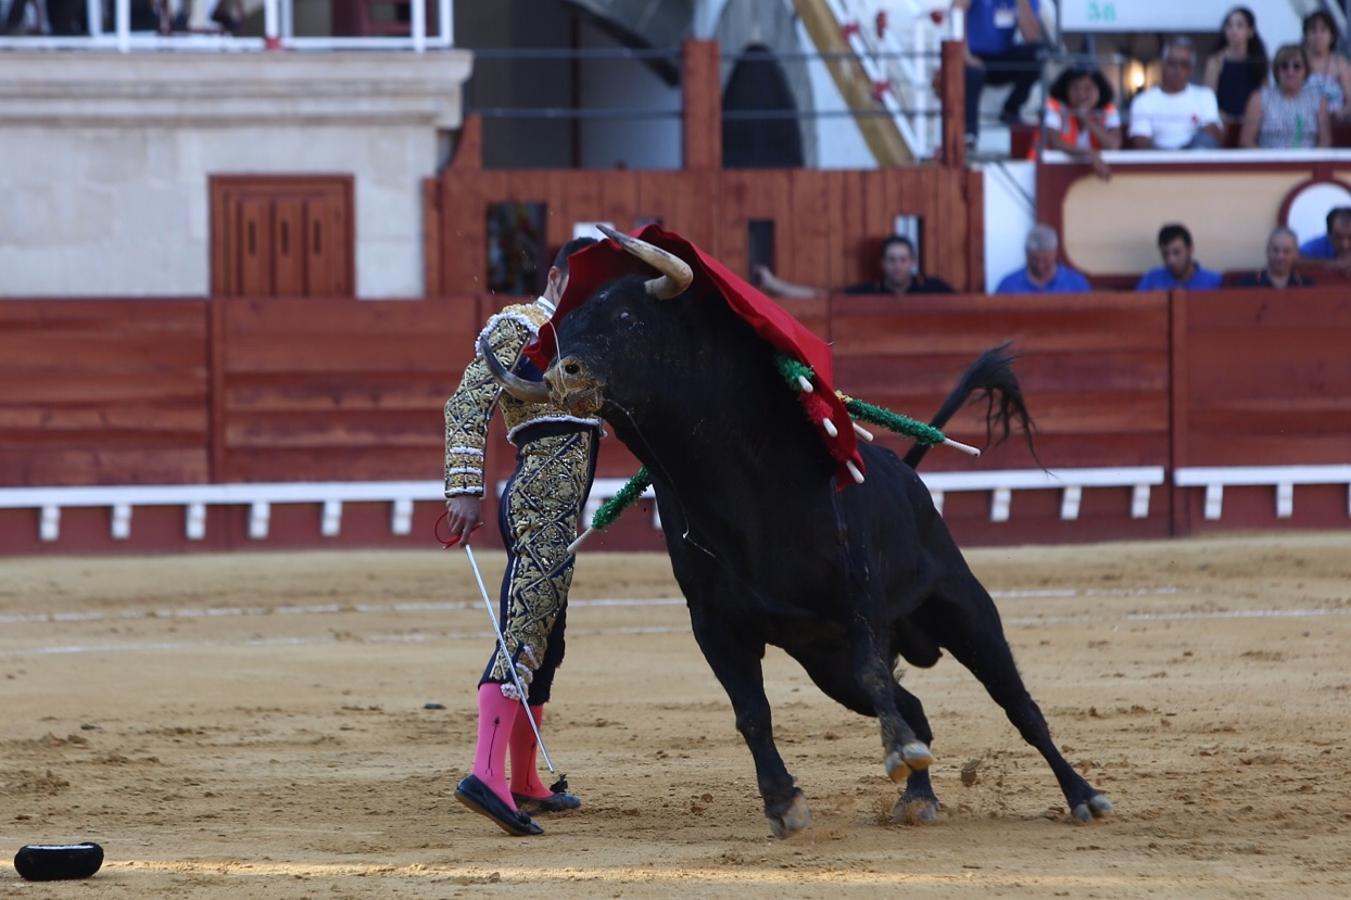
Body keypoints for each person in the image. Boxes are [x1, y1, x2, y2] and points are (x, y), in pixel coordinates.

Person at [444, 236, 600, 837]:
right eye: (581, 286)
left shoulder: (588, 338)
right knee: (524, 628)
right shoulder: (520, 324)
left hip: (565, 505)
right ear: (557, 279)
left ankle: (523, 778)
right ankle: (485, 774)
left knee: (548, 636)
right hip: (537, 496)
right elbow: (466, 403)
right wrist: (464, 487)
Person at [955, 0, 1044, 146]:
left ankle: (1011, 110)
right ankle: (969, 134)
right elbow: (957, 11)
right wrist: (965, 55)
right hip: (973, 56)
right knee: (971, 73)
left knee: (1039, 53)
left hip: (1003, 57)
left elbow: (1031, 37)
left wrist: (1021, 3)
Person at [754, 235, 955, 299]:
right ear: (883, 264)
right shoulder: (868, 293)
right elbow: (821, 297)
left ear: (913, 262)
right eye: (892, 260)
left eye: (903, 260)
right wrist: (774, 284)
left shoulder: (934, 288)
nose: (897, 266)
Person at [1128, 38, 1224, 150]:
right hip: (1159, 160)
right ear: (1163, 65)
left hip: (1194, 160)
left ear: (1191, 69)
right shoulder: (1143, 101)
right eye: (1172, 63)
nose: (1178, 70)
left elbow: (1212, 135)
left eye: (1184, 65)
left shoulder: (1205, 96)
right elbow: (1141, 142)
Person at [1035, 65, 1122, 180]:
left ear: (1099, 90)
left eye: (1088, 88)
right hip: (1044, 173)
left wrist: (1086, 120)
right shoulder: (1053, 107)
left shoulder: (1109, 110)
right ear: (1066, 90)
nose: (1081, 94)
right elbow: (1056, 143)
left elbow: (1113, 145)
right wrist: (1090, 154)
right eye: (1075, 88)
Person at [1239, 44, 1330, 149]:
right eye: (1284, 66)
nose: (1290, 72)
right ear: (1277, 71)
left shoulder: (1318, 101)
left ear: (1306, 70)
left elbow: (1325, 142)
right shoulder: (1259, 99)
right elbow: (1246, 141)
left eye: (1297, 66)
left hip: (1308, 162)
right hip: (1269, 161)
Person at [1203, 7, 1270, 124]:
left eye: (1239, 26)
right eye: (1229, 25)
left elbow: (1265, 97)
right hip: (1222, 122)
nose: (1233, 31)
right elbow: (1208, 100)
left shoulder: (1258, 61)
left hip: (1252, 124)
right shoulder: (1216, 61)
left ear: (1250, 31)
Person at [995, 224, 1091, 293]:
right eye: (1034, 260)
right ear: (1026, 254)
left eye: (1046, 260)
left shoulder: (1076, 284)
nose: (1040, 265)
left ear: (1055, 253)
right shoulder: (1008, 286)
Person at [1135, 223, 1223, 290]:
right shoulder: (1152, 279)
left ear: (1190, 249)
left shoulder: (1214, 281)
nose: (1171, 260)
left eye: (1176, 252)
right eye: (1165, 254)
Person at [1302, 11, 1351, 120]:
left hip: (1335, 123)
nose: (1318, 36)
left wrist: (1340, 114)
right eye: (1313, 31)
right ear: (1306, 35)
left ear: (1332, 36)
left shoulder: (1341, 65)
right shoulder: (1297, 63)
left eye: (1323, 30)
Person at [1236, 227, 1314, 288]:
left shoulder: (1306, 285)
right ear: (1267, 251)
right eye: (1275, 250)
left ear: (1295, 254)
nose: (1280, 256)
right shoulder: (1248, 284)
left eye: (1286, 251)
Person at [1298, 206, 1351, 277]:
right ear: (1328, 234)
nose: (1345, 244)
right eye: (1338, 237)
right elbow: (1292, 260)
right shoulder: (1316, 246)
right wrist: (1330, 264)